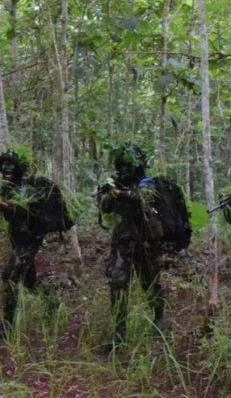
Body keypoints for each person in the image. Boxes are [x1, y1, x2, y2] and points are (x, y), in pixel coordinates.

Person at [98, 144, 166, 347]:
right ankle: (119, 332)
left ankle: (159, 317)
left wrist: (118, 193)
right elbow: (106, 208)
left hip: (145, 241)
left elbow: (142, 198)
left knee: (149, 282)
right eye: (122, 166)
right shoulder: (115, 183)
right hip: (122, 240)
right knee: (117, 282)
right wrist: (107, 194)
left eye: (130, 166)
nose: (125, 170)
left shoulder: (146, 182)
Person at [0, 150, 49, 339]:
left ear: (19, 168)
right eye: (4, 165)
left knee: (10, 276)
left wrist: (9, 207)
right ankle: (50, 302)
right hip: (17, 238)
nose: (7, 168)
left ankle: (6, 325)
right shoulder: (7, 189)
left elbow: (31, 212)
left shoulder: (27, 188)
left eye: (11, 165)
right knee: (29, 279)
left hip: (30, 238)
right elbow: (8, 216)